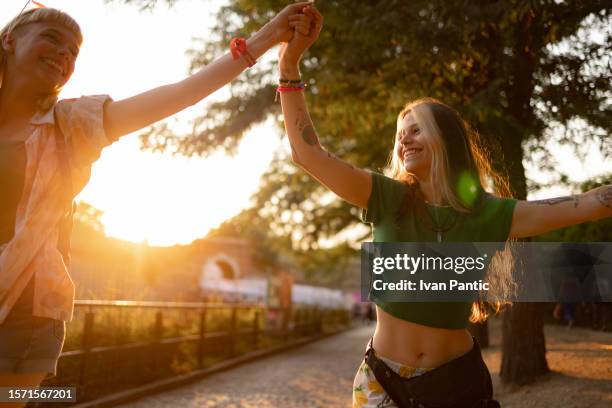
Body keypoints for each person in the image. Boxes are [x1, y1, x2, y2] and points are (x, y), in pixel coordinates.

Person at [276, 5, 612, 407]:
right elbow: (307, 152)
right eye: (401, 135)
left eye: (416, 129)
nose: (404, 141)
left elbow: (582, 206)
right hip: (383, 385)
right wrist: (289, 62)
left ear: (446, 140)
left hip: (457, 385)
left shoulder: (489, 215)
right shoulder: (386, 198)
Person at [0, 1, 313, 403]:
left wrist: (266, 38)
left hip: (27, 310)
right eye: (52, 38)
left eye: (74, 51)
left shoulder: (70, 124)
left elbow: (180, 95)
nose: (65, 54)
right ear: (9, 39)